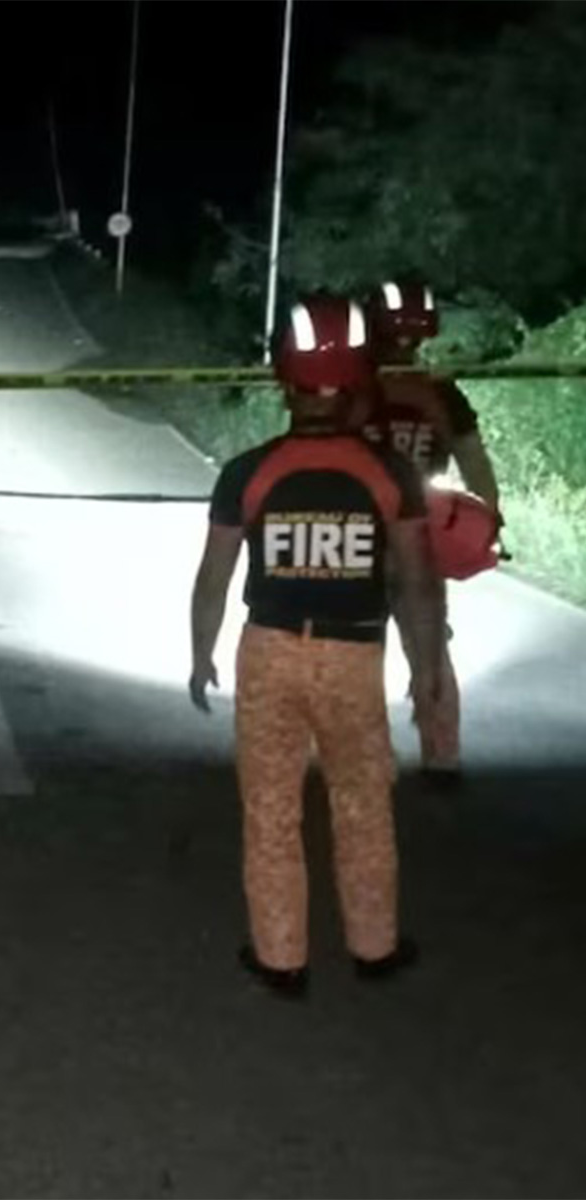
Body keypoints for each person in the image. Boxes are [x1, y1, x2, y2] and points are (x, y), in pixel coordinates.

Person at [189, 294, 444, 998]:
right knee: (362, 802)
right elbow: (417, 584)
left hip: (268, 653)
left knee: (271, 810)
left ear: (282, 378)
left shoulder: (248, 472)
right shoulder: (389, 473)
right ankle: (375, 949)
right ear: (360, 376)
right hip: (354, 656)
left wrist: (200, 653)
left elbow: (214, 578)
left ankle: (281, 960)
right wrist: (428, 671)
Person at [360, 279, 502, 786]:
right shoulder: (442, 392)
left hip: (365, 534)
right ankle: (443, 755)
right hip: (421, 535)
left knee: (358, 645)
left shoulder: (353, 388)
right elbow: (476, 466)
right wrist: (490, 519)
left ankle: (362, 754)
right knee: (430, 646)